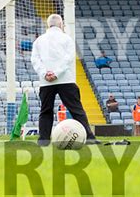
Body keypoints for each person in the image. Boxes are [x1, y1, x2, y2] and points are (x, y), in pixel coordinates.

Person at [31, 14, 100, 146]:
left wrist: (45, 73)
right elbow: (68, 59)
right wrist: (56, 73)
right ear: (61, 25)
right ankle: (89, 138)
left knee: (46, 110)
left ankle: (43, 140)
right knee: (76, 109)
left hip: (46, 82)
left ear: (48, 25)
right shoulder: (67, 39)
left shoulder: (39, 41)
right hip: (66, 80)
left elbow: (35, 60)